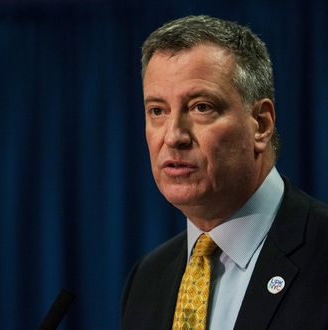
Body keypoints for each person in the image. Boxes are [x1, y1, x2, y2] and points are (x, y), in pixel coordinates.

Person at [121, 15, 328, 330]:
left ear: (261, 124)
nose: (173, 135)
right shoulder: (147, 278)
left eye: (201, 107)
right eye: (157, 111)